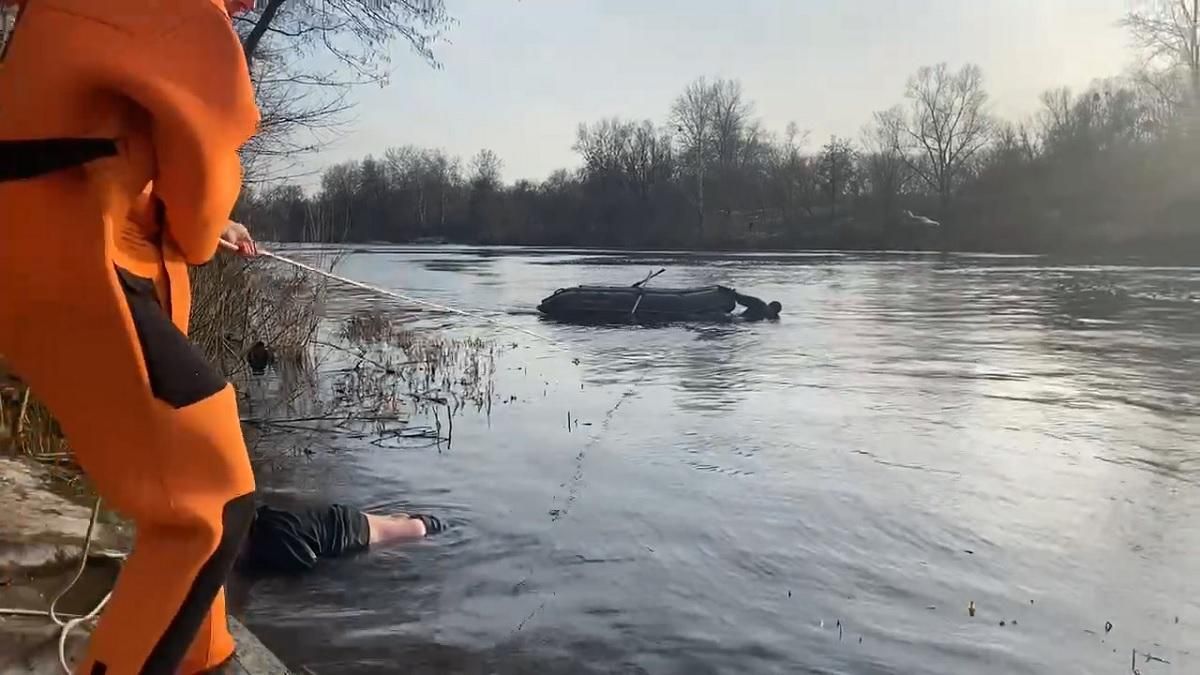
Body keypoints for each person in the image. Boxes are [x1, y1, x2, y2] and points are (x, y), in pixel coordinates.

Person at [0, 1, 262, 672]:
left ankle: (204, 654)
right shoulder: (186, 18)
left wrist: (199, 219)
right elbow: (196, 214)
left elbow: (91, 149)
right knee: (210, 502)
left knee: (179, 488)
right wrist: (206, 221)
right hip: (77, 276)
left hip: (38, 266)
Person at [236, 502, 447, 576]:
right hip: (336, 519)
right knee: (389, 525)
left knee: (418, 530)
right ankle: (405, 521)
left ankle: (422, 524)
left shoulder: (271, 537)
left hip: (347, 532)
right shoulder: (261, 518)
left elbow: (308, 562)